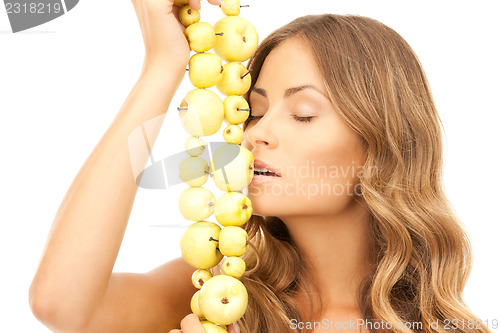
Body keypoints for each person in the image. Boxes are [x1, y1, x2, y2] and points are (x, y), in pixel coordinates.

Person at [28, 0, 490, 332]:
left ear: (380, 147)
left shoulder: (442, 326)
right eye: (254, 111)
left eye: (303, 114)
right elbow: (62, 306)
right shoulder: (215, 292)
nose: (255, 134)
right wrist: (162, 65)